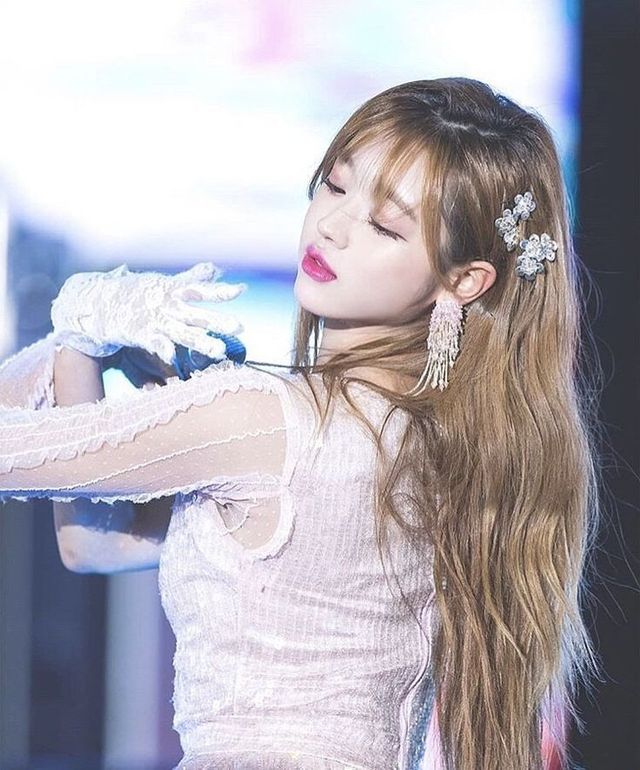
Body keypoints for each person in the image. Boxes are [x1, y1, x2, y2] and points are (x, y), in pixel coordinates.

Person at [0, 77, 602, 770]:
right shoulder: (441, 445)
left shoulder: (269, 421)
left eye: (384, 225)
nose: (332, 226)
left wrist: (73, 319)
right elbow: (94, 545)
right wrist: (80, 343)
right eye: (335, 185)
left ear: (463, 280)